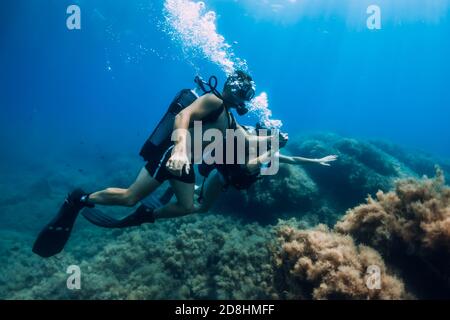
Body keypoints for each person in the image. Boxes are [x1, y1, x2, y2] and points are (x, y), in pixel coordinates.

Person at [33, 71, 257, 258]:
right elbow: (182, 116)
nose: (242, 97)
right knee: (129, 198)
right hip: (172, 155)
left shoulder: (229, 119)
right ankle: (79, 199)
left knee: (187, 207)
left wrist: (276, 140)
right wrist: (179, 149)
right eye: (242, 91)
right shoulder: (213, 101)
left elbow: (249, 140)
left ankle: (144, 216)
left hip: (184, 163)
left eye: (247, 94)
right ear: (230, 86)